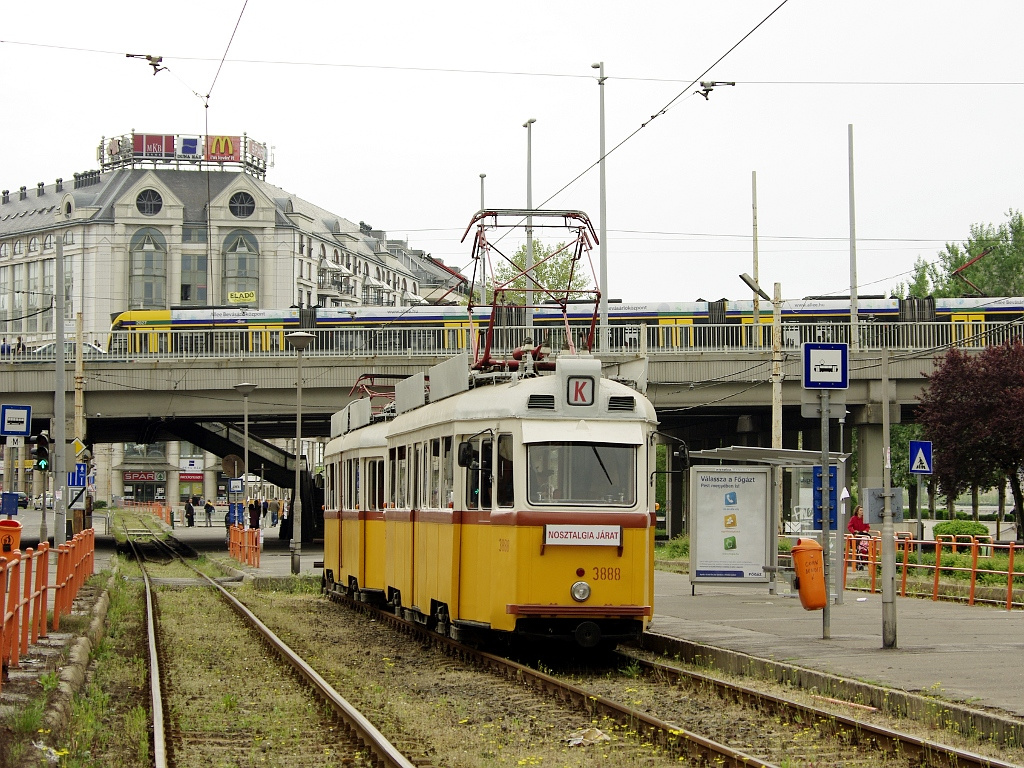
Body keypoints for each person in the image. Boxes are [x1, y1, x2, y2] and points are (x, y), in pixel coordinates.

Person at [848, 505, 870, 569]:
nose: (862, 512)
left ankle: (864, 560)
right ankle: (858, 562)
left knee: (865, 547)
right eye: (860, 510)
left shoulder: (865, 518)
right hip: (856, 536)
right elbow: (849, 526)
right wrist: (854, 531)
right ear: (857, 511)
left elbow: (867, 527)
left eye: (863, 510)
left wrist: (865, 531)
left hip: (863, 535)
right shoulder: (853, 518)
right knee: (857, 549)